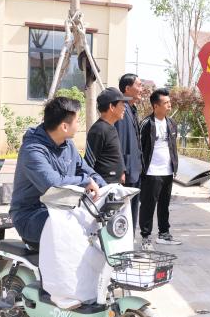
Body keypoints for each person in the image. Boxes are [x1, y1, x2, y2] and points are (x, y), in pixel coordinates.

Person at [10, 97, 105, 248]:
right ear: (64, 127)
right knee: (78, 230)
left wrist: (107, 189)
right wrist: (85, 182)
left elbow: (87, 171)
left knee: (97, 223)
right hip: (32, 216)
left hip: (62, 208)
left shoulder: (67, 145)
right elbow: (52, 184)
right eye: (77, 121)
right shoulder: (33, 150)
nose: (78, 125)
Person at [138, 88, 181, 250]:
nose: (169, 105)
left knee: (164, 205)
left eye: (169, 102)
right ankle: (145, 238)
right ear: (156, 106)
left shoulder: (171, 123)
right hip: (151, 172)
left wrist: (174, 166)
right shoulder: (146, 124)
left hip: (167, 171)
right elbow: (139, 148)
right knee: (148, 206)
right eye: (166, 103)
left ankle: (164, 234)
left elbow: (173, 147)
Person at [85, 87, 132, 184]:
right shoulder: (98, 130)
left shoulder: (111, 127)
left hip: (115, 184)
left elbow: (114, 153)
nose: (124, 108)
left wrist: (122, 171)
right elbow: (88, 162)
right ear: (112, 107)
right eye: (122, 104)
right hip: (104, 185)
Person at [114, 74, 143, 230]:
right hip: (126, 172)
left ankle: (129, 239)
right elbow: (118, 142)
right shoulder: (121, 110)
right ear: (127, 88)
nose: (141, 89)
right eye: (139, 85)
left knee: (133, 211)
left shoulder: (132, 109)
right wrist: (121, 169)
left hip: (135, 169)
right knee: (124, 213)